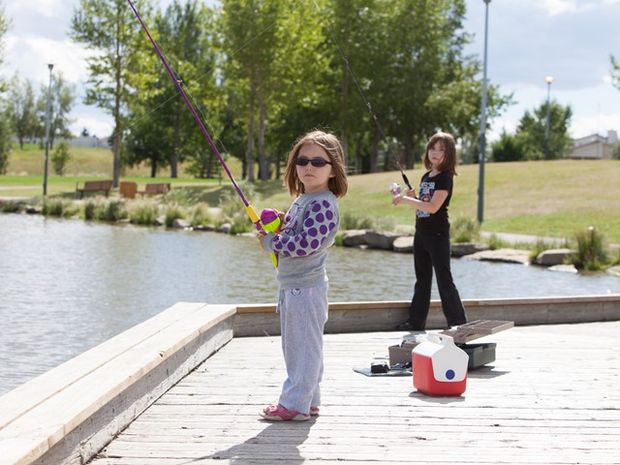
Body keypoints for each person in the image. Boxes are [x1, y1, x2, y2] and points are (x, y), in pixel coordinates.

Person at [259, 129, 348, 421]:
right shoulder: (305, 198)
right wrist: (281, 223)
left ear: (333, 169)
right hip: (295, 287)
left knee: (301, 350)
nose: (309, 167)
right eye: (303, 160)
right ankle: (309, 401)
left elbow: (307, 244)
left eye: (319, 162)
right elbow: (298, 231)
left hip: (305, 290)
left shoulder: (323, 203)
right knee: (305, 347)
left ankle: (294, 405)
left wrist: (272, 242)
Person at [391, 131, 467, 331]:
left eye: (441, 149)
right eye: (432, 148)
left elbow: (433, 207)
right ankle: (416, 322)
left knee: (444, 280)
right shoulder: (427, 176)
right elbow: (423, 205)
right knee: (422, 279)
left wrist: (405, 200)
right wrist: (412, 196)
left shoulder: (445, 178)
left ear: (448, 154)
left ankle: (458, 324)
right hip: (421, 234)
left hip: (438, 235)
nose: (435, 152)